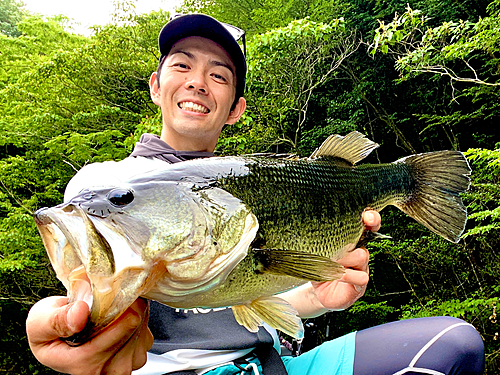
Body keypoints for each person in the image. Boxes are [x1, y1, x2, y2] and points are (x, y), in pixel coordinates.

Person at [26, 14, 485, 375]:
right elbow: (82, 305)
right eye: (182, 65)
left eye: (219, 76)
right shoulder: (101, 185)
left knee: (457, 344)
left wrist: (325, 294)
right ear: (155, 85)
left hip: (271, 365)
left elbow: (265, 294)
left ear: (236, 109)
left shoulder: (251, 176)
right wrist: (69, 335)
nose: (197, 81)